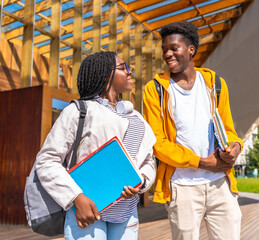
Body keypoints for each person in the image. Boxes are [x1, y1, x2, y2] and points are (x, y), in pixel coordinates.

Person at [35, 51, 156, 240]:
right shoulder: (78, 111)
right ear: (106, 73)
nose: (130, 72)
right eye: (124, 67)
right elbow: (47, 161)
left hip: (127, 212)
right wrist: (76, 198)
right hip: (87, 211)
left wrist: (141, 181)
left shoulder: (136, 118)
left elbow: (148, 159)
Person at [143, 21, 243, 240]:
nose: (167, 54)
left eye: (173, 48)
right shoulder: (155, 89)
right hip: (182, 187)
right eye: (164, 50)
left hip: (220, 184)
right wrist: (201, 162)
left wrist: (235, 146)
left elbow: (228, 130)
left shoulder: (215, 83)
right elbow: (157, 143)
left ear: (191, 50)